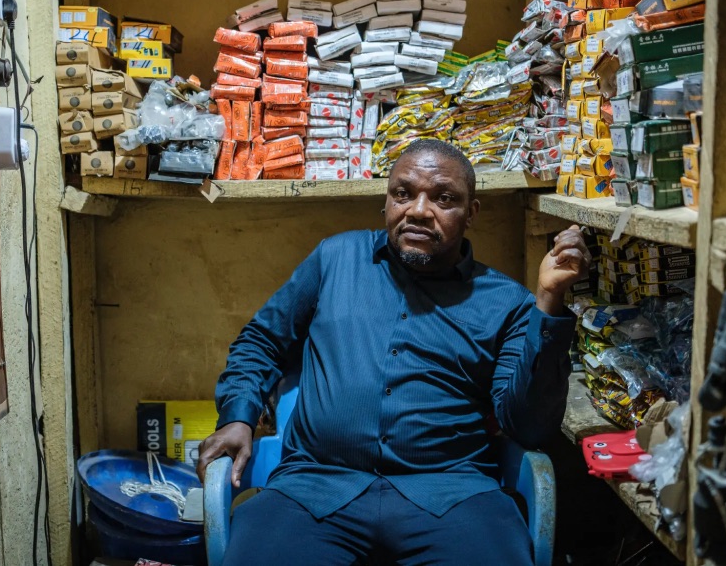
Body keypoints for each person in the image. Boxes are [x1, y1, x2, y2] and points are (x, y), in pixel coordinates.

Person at [197, 139, 591, 565]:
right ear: (386, 201)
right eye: (403, 193)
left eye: (444, 198)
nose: (419, 210)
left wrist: (549, 300)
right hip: (314, 486)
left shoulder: (506, 302)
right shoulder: (336, 258)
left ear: (471, 213)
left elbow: (529, 427)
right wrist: (238, 415)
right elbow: (261, 341)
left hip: (453, 494)